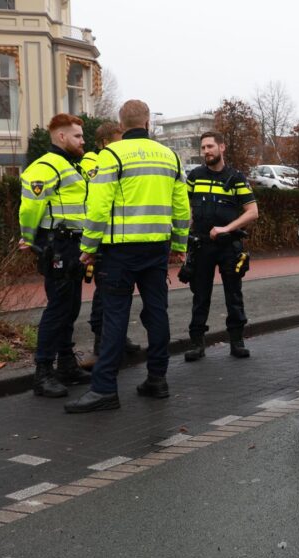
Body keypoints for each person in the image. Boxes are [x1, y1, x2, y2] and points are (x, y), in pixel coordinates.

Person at [65, 100, 191, 413]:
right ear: (148, 123)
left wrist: (88, 247)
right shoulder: (169, 156)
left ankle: (105, 389)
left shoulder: (111, 155)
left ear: (121, 126)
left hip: (120, 250)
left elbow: (98, 205)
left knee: (115, 316)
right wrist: (180, 243)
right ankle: (157, 379)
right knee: (157, 312)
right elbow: (181, 206)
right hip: (157, 247)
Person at [18, 113, 93, 398]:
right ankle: (43, 373)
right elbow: (29, 208)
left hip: (73, 245)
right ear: (61, 137)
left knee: (70, 307)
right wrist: (28, 238)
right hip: (57, 246)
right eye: (77, 136)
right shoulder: (46, 166)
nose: (82, 141)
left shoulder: (70, 165)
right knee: (58, 308)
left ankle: (65, 365)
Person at [182, 132, 260, 361]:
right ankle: (197, 344)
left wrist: (226, 229)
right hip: (201, 246)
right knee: (200, 296)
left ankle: (237, 341)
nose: (206, 151)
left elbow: (252, 212)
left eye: (210, 146)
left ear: (222, 147)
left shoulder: (235, 177)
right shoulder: (195, 176)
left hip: (228, 246)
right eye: (203, 147)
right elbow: (185, 208)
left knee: (233, 294)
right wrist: (183, 236)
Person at [79, 121, 141, 369]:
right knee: (104, 294)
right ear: (105, 142)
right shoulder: (93, 164)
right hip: (99, 238)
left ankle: (116, 340)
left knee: (112, 294)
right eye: (119, 140)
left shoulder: (111, 160)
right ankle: (100, 345)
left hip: (113, 237)